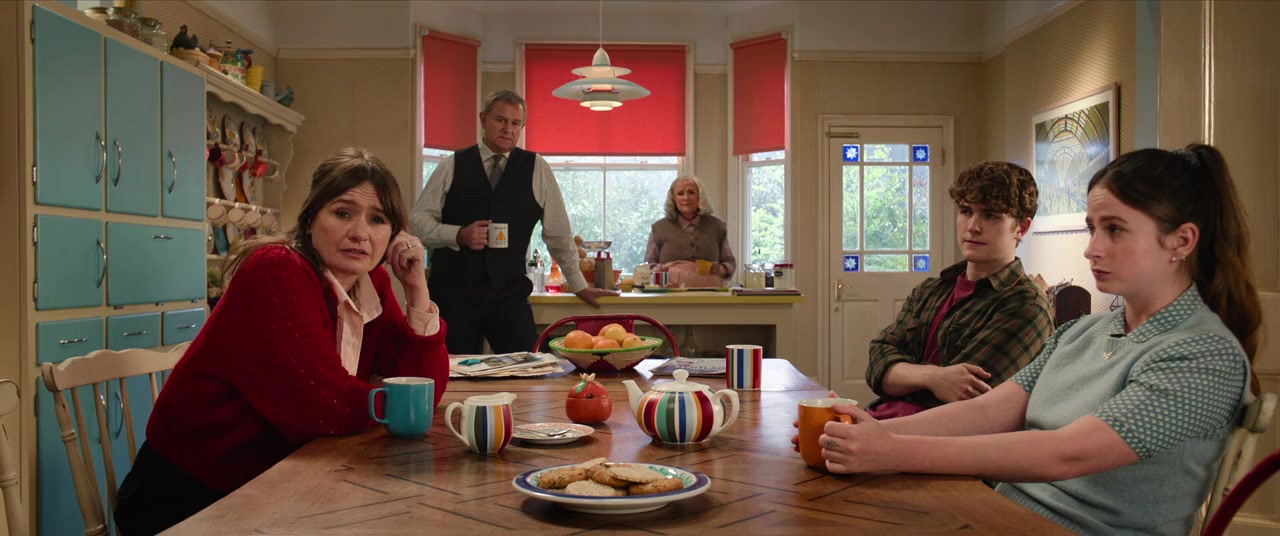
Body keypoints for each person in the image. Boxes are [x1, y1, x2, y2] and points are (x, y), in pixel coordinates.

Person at [807, 144, 1261, 535]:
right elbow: (988, 411)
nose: (1091, 248)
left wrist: (892, 449)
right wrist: (854, 431)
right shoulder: (1083, 332)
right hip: (1000, 514)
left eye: (1115, 229)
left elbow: (1067, 455)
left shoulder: (1205, 355)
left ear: (1181, 241)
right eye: (1092, 228)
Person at [114, 148, 450, 535]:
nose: (360, 233)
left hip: (279, 485)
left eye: (377, 219)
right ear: (310, 218)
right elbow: (322, 407)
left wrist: (416, 289)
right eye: (343, 213)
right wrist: (388, 399)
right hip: (190, 495)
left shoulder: (371, 283)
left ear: (394, 235)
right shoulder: (276, 269)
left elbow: (422, 393)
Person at [411, 89, 615, 354]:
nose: (508, 129)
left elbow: (558, 234)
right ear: (483, 119)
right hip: (452, 295)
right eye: (500, 120)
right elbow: (418, 222)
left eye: (515, 123)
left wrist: (579, 284)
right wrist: (458, 234)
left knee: (527, 368)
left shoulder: (537, 168)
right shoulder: (451, 165)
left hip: (508, 296)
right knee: (453, 371)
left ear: (522, 127)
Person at [865, 161, 1053, 419]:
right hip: (879, 421)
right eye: (966, 211)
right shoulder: (930, 290)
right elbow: (877, 364)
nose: (972, 226)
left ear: (1021, 227)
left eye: (990, 215)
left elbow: (960, 403)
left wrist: (905, 374)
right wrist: (934, 377)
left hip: (930, 438)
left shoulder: (1026, 307)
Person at [644, 175, 736, 288]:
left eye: (691, 192)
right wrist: (660, 269)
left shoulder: (717, 226)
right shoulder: (659, 228)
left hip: (709, 294)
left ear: (700, 197)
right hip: (670, 294)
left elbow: (729, 263)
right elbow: (648, 265)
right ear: (673, 199)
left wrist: (720, 269)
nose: (686, 198)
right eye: (680, 193)